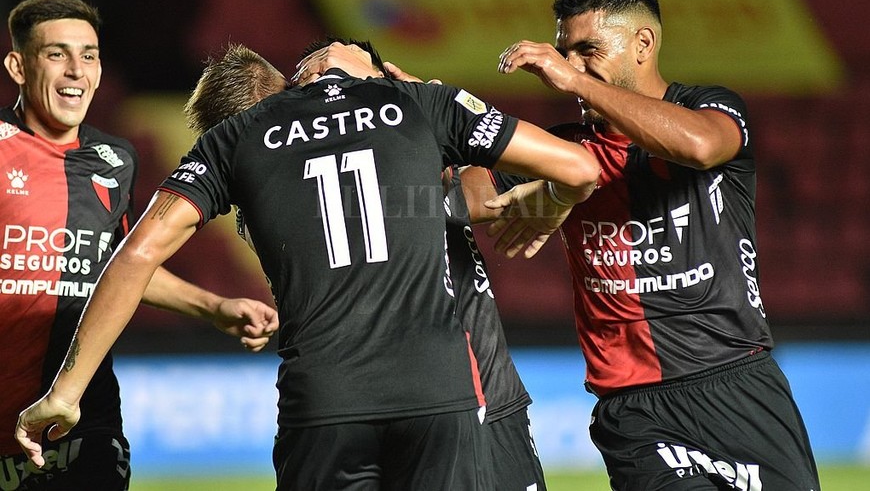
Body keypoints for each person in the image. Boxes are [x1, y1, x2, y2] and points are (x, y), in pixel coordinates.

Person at [15, 37, 600, 490]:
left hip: (327, 398)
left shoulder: (240, 145)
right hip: (447, 389)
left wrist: (66, 391)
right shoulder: (414, 107)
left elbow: (135, 253)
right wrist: (552, 201)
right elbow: (568, 170)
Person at [460, 0, 820, 490]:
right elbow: (461, 198)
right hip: (635, 408)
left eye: (588, 50)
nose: (567, 67)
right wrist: (440, 113)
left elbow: (700, 146)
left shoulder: (711, 108)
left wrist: (577, 81)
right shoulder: (563, 152)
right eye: (565, 53)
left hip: (741, 385)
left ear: (643, 44)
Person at [188, 40, 548, 490]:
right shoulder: (384, 165)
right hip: (451, 397)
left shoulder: (268, 197)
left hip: (409, 399)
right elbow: (526, 174)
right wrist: (438, 105)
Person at [0, 0, 279, 490]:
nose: (76, 70)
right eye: (57, 54)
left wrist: (213, 306)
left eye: (89, 55)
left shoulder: (115, 160)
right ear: (18, 67)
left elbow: (121, 265)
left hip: (83, 417)